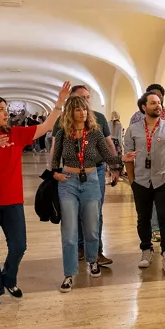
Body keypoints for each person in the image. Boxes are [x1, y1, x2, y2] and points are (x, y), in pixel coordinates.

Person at [0, 82, 70, 310]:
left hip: (13, 201)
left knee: (19, 246)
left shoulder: (15, 134)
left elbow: (46, 126)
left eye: (6, 109)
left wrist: (59, 103)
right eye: (1, 109)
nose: (6, 113)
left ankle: (9, 279)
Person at [51, 96, 135, 292]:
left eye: (84, 109)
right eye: (77, 109)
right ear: (70, 112)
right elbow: (55, 158)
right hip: (68, 183)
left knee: (92, 228)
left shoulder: (95, 133)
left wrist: (122, 159)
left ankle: (93, 261)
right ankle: (69, 273)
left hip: (90, 181)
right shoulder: (63, 133)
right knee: (69, 232)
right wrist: (55, 173)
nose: (82, 113)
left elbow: (107, 157)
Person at [49, 85, 117, 266]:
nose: (85, 105)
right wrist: (54, 173)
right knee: (71, 223)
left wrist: (117, 165)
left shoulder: (97, 122)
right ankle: (76, 256)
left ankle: (95, 255)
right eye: (80, 101)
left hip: (94, 174)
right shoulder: (62, 127)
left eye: (87, 99)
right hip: (69, 178)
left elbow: (108, 147)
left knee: (94, 218)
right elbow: (55, 151)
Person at [124, 91, 165, 273]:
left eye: (159, 103)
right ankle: (146, 250)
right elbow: (128, 157)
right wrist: (132, 181)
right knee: (143, 218)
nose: (158, 106)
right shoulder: (133, 130)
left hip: (163, 181)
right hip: (141, 181)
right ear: (144, 107)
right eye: (153, 103)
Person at [129, 84, 165, 246]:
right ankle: (155, 230)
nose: (157, 101)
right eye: (153, 98)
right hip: (144, 172)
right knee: (149, 206)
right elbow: (131, 144)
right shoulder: (137, 117)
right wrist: (132, 179)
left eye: (159, 98)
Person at [109, 111, 124, 185]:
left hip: (109, 142)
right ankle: (116, 176)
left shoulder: (108, 123)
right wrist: (120, 146)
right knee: (117, 159)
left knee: (110, 159)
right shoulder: (119, 124)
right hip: (116, 143)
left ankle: (110, 176)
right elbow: (120, 137)